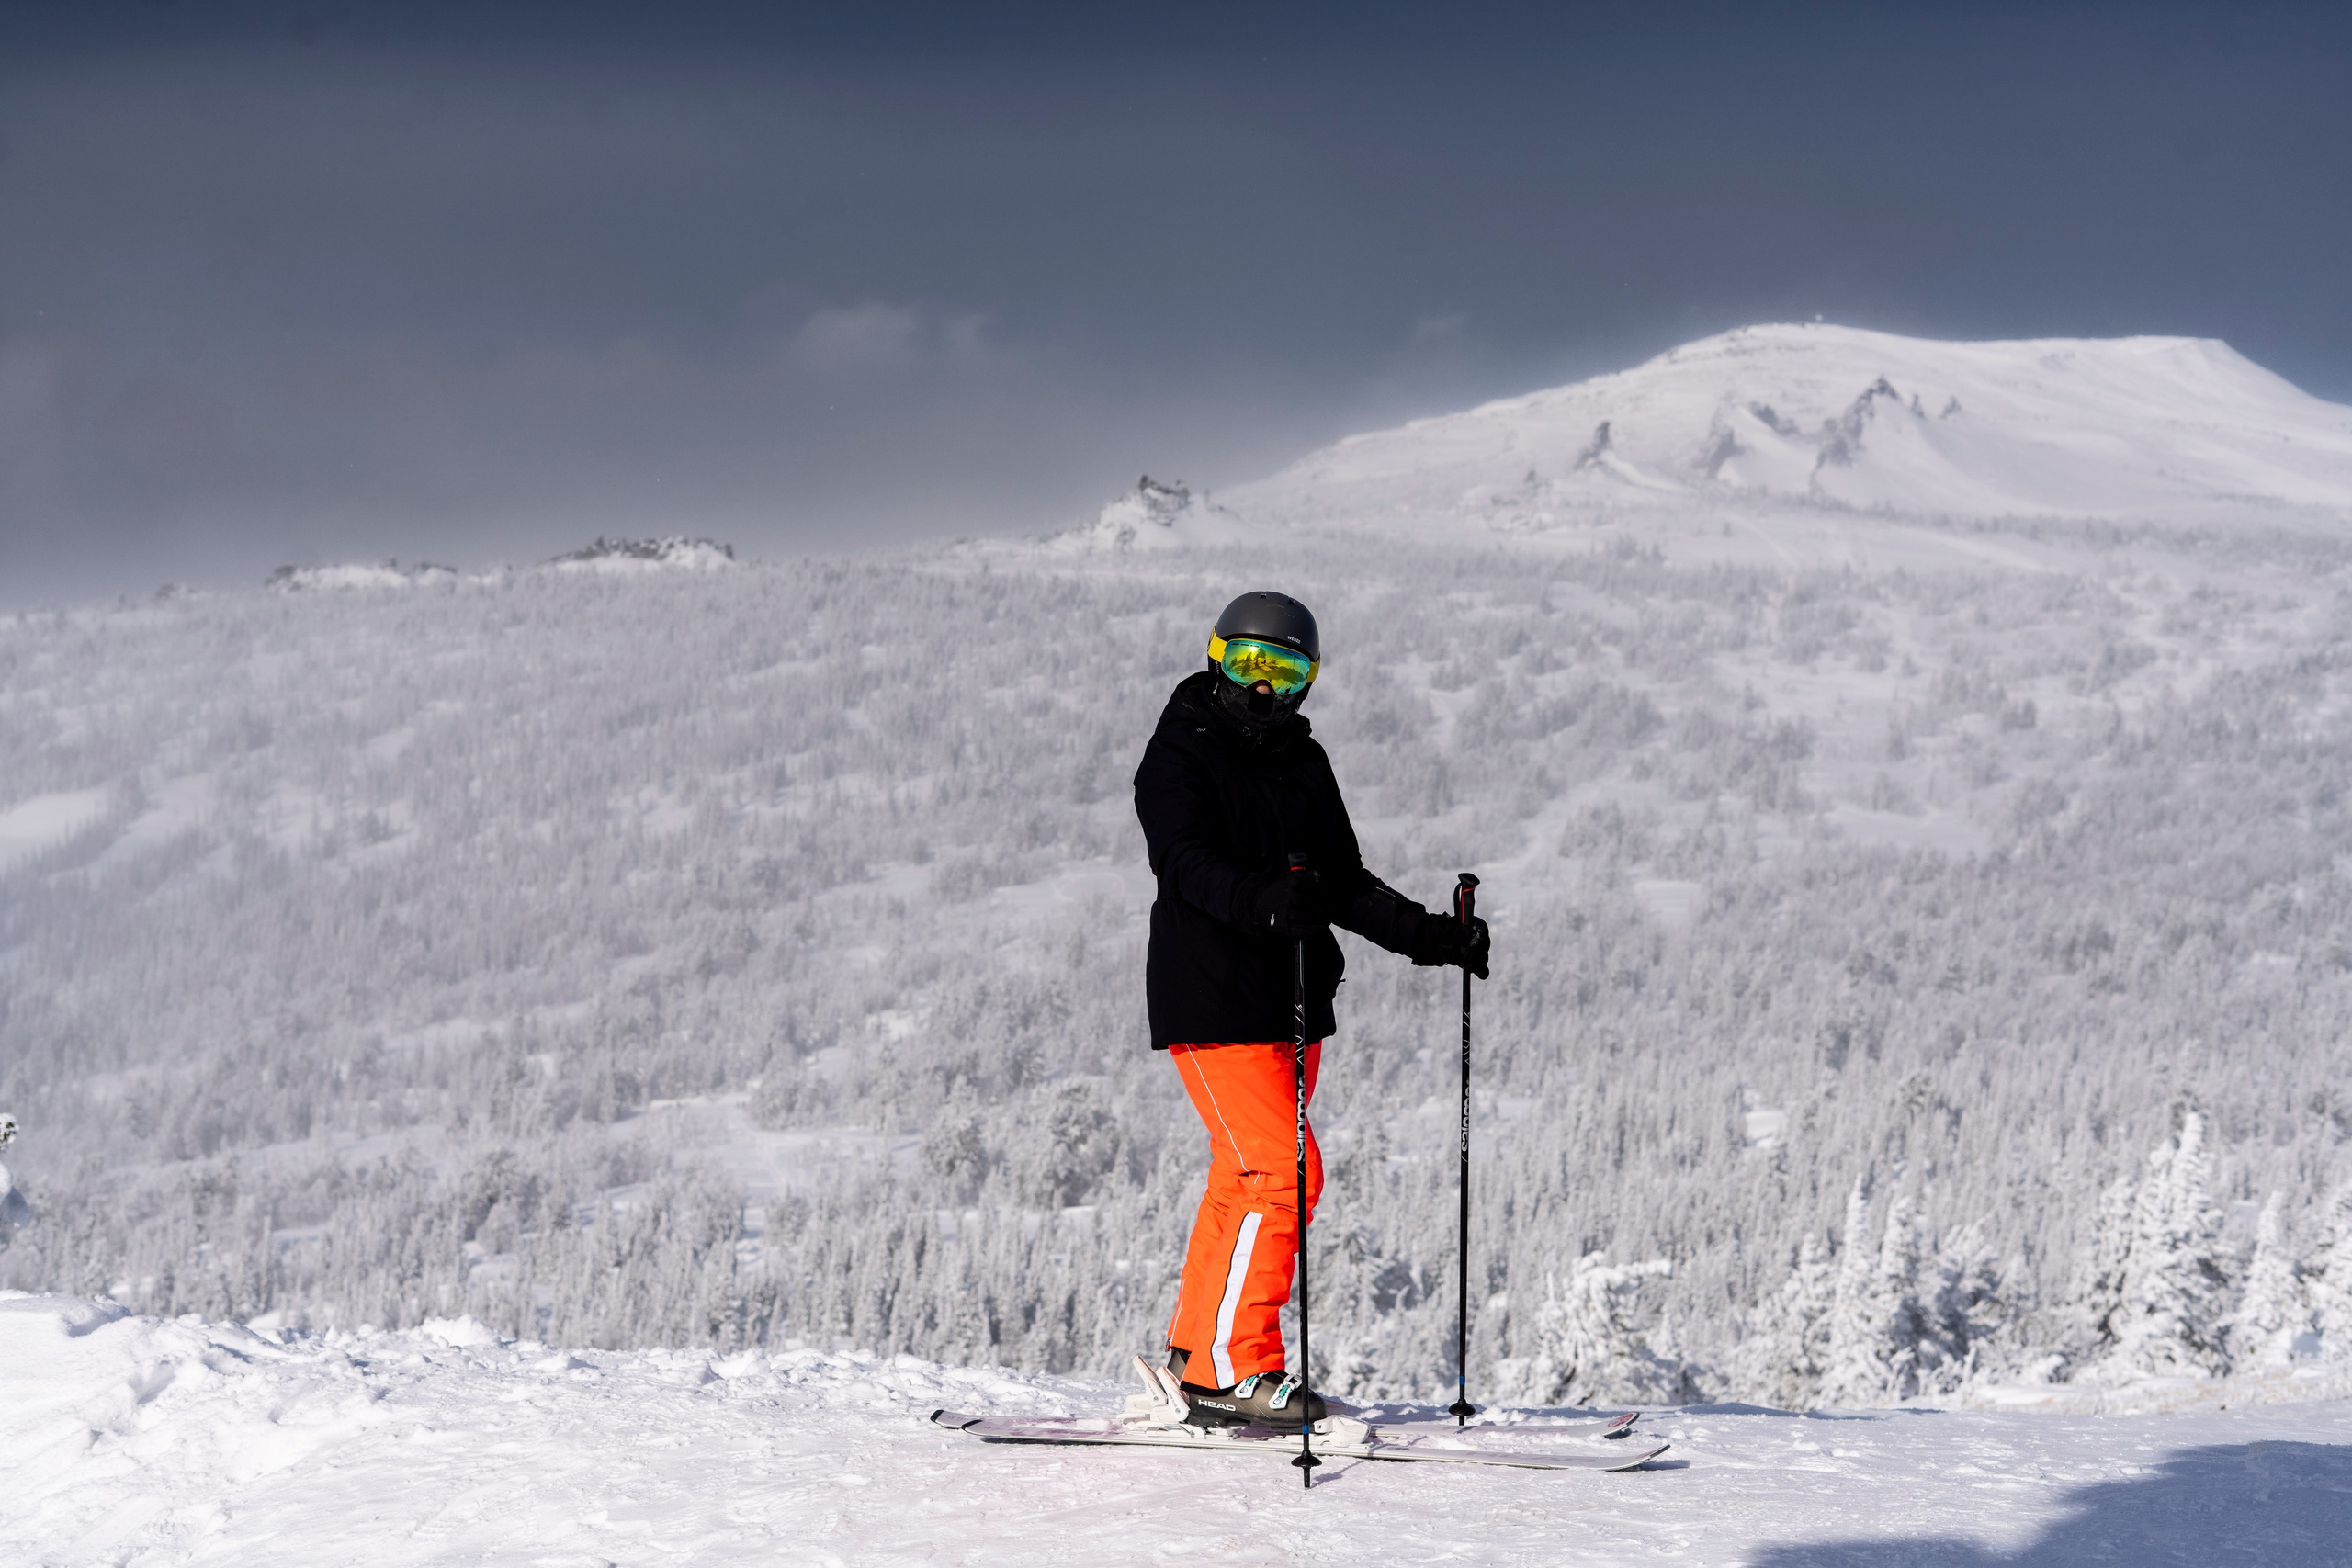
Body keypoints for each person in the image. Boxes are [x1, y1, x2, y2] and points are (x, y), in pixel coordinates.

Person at [1131, 590, 1490, 1429]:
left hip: (1290, 999)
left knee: (1244, 1177)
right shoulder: (1177, 752)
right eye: (1249, 664)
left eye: (1284, 670)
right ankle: (1235, 1369)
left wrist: (1433, 938)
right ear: (1217, 656)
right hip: (1213, 996)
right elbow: (1183, 863)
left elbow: (1343, 882)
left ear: (1307, 682)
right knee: (1287, 1173)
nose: (1263, 688)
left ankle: (1196, 1352)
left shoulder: (1302, 760)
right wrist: (1263, 902)